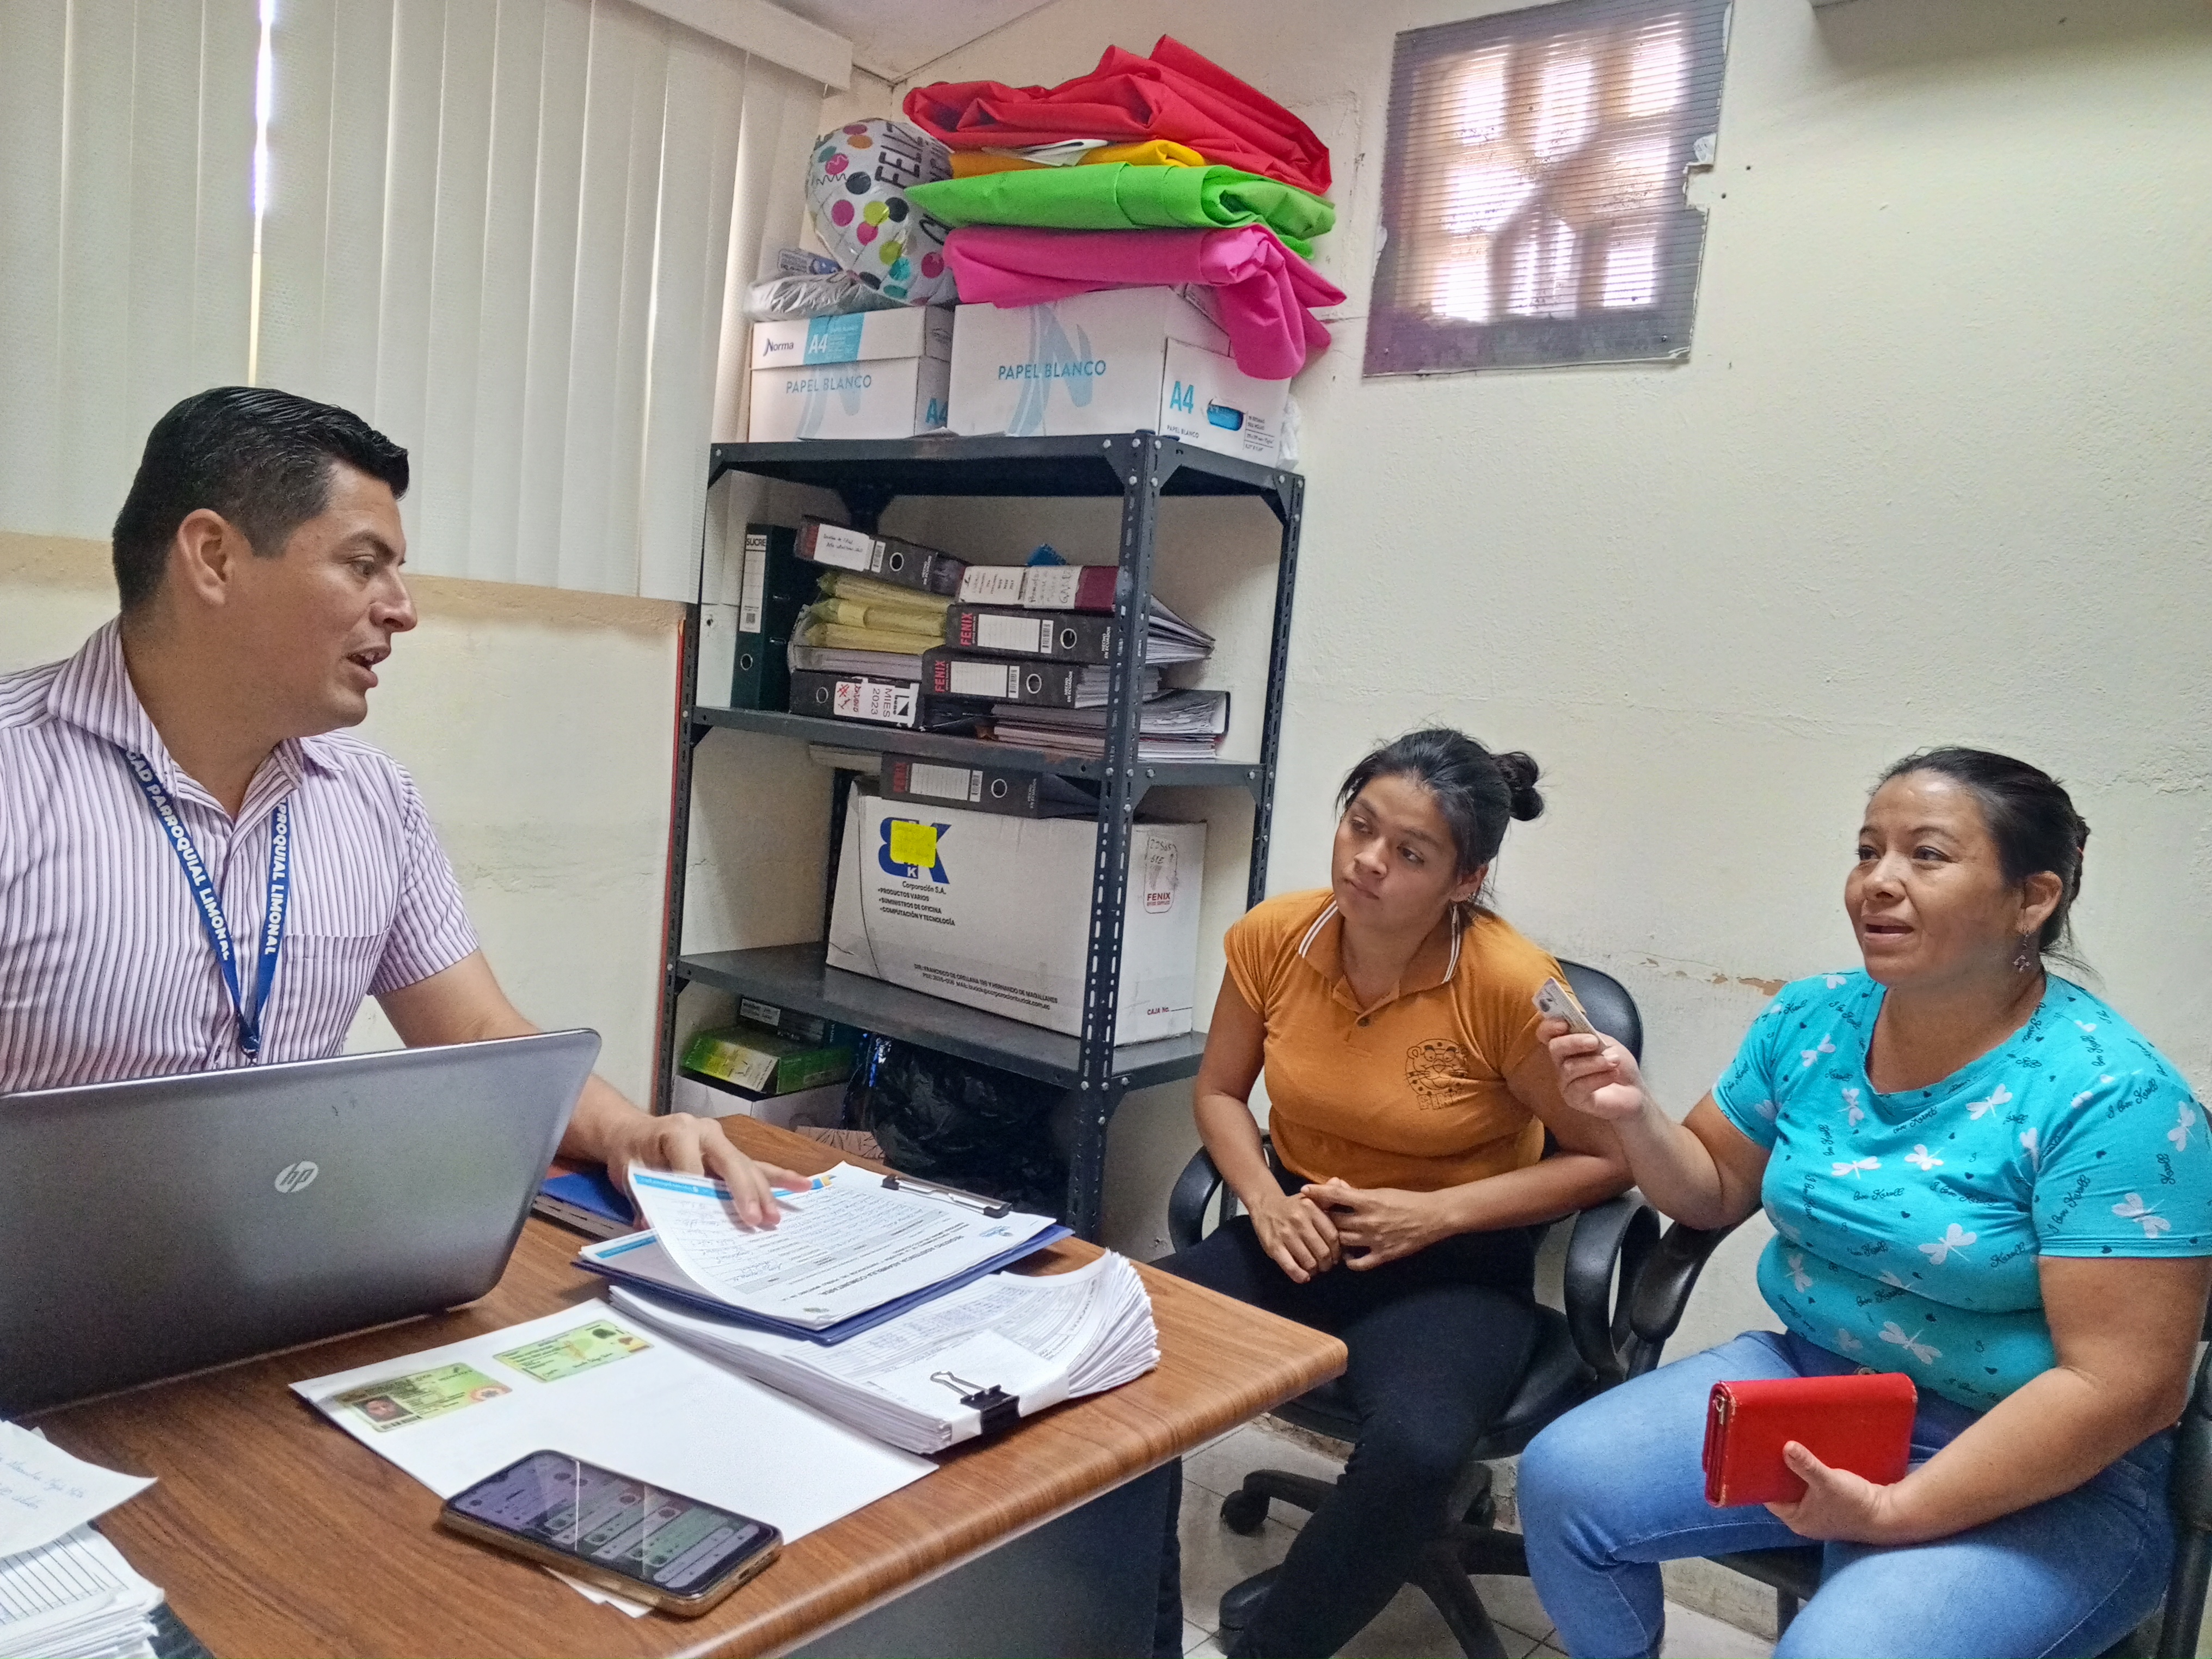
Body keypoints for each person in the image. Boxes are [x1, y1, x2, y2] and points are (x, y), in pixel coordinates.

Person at [0, 386, 800, 1220]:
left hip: (288, 1257)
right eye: (363, 564)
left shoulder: (373, 798)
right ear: (214, 558)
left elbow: (478, 1036)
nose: (403, 610)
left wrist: (630, 1131)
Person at [1518, 748, 2212, 1659]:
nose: (1878, 882)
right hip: (1823, 1388)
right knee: (1564, 1478)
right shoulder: (1811, 1019)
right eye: (1867, 850)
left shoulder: (2115, 1099)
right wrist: (1633, 1114)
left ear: (2032, 899)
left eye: (1927, 855)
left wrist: (1897, 1511)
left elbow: (2124, 1389)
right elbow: (1713, 1187)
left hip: (2051, 1462)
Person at [1153, 729, 1631, 1659]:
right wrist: (1263, 1199)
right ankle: (1129, 1621)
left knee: (1416, 1449)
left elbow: (1609, 1162)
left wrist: (1437, 1213)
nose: (1368, 861)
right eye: (1360, 826)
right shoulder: (1274, 937)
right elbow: (1219, 1094)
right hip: (1299, 1230)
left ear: (1466, 880)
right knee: (1117, 1350)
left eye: (1410, 853)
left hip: (1453, 1265)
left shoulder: (1511, 985)